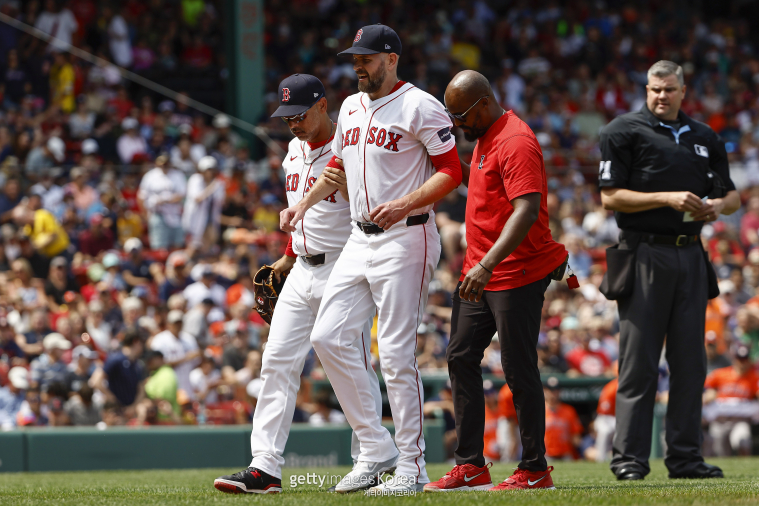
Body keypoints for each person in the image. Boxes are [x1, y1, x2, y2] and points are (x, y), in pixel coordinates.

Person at [280, 26, 462, 495]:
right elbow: (337, 167)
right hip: (359, 240)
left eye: (367, 57)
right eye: (354, 57)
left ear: (391, 59)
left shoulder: (420, 105)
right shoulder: (350, 106)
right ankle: (374, 446)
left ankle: (412, 468)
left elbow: (451, 171)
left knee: (397, 357)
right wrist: (304, 204)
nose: (358, 64)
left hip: (408, 236)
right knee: (327, 336)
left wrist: (405, 202)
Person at [214, 74, 381, 495]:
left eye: (300, 114)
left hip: (343, 267)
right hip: (301, 269)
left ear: (323, 106)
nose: (293, 123)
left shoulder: (350, 146)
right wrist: (288, 258)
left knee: (350, 359)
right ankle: (265, 467)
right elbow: (297, 215)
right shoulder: (292, 150)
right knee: (276, 362)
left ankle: (370, 458)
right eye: (286, 116)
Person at [598, 61, 740, 480]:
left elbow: (730, 196)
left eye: (670, 89)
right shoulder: (621, 131)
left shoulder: (704, 136)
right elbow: (610, 198)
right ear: (646, 89)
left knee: (691, 364)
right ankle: (629, 460)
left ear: (683, 90)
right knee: (638, 364)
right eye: (655, 89)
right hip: (644, 253)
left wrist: (716, 206)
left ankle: (685, 459)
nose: (662, 96)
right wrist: (668, 198)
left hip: (691, 254)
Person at [426, 70, 566, 492]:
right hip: (482, 271)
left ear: (484, 103)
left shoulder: (516, 140)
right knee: (460, 357)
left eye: (461, 116)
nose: (457, 124)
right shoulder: (487, 136)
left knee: (518, 368)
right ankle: (471, 465)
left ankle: (535, 468)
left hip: (515, 271)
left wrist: (485, 264)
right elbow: (486, 184)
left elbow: (526, 209)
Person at [702, 344, 759, 457]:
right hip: (719, 420)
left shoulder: (754, 377)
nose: (742, 362)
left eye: (745, 359)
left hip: (740, 419)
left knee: (743, 439)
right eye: (739, 358)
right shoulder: (720, 373)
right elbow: (704, 388)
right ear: (734, 358)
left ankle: (745, 468)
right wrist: (709, 393)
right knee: (718, 451)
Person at [138, 153, 187, 250]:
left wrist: (165, 200)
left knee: (177, 244)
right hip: (157, 214)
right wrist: (145, 215)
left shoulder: (178, 175)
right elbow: (141, 197)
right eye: (161, 163)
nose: (164, 166)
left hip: (175, 214)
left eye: (166, 163)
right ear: (156, 163)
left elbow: (181, 195)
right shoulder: (150, 176)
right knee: (159, 247)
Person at [150, 310, 201, 397]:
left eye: (180, 323)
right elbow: (157, 364)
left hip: (187, 385)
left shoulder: (189, 338)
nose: (178, 326)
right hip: (168, 385)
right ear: (168, 324)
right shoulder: (159, 340)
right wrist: (185, 358)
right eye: (175, 323)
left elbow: (197, 362)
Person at [182, 156, 225, 258]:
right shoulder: (195, 179)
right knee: (193, 246)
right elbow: (197, 198)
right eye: (208, 170)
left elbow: (221, 202)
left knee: (210, 244)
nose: (210, 172)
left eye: (212, 170)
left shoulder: (218, 183)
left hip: (210, 219)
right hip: (194, 220)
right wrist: (212, 186)